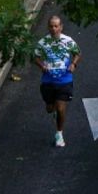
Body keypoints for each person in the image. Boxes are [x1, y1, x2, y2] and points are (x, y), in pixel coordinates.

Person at [34, 15, 79, 148]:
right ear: (48, 27)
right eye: (51, 26)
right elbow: (36, 57)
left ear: (61, 27)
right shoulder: (43, 43)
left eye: (56, 26)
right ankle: (52, 108)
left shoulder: (68, 41)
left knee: (60, 108)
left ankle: (59, 134)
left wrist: (73, 64)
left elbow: (77, 53)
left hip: (64, 80)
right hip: (48, 81)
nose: (54, 29)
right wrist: (42, 66)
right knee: (50, 108)